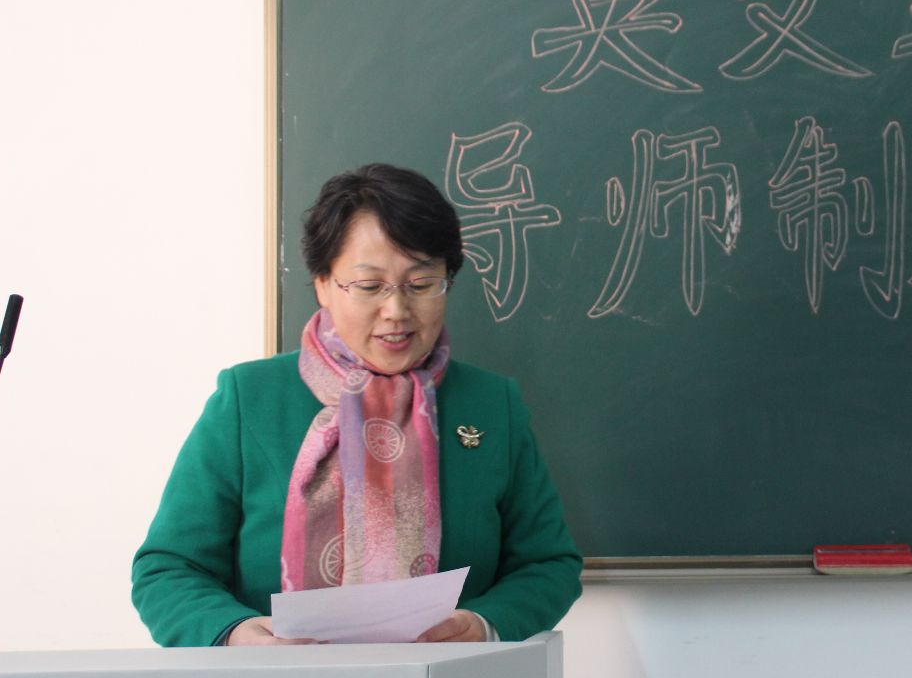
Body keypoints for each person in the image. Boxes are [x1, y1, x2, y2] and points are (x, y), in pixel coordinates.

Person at [133, 163, 582, 646]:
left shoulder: (491, 405)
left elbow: (548, 563)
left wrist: (483, 625)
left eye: (421, 284)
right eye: (370, 287)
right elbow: (168, 568)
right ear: (323, 283)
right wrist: (235, 634)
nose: (397, 310)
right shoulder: (249, 399)